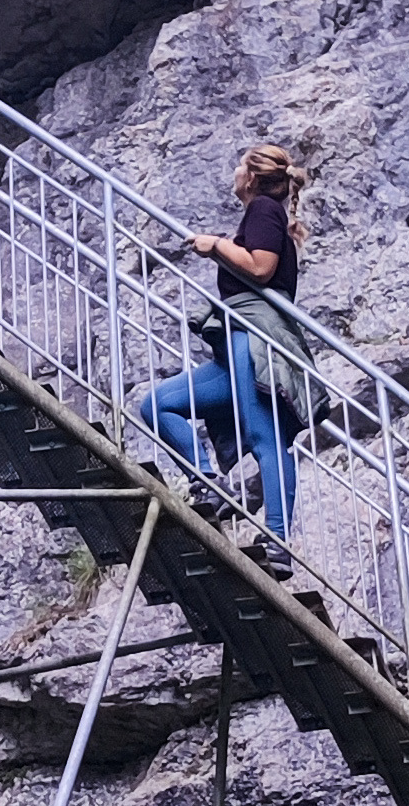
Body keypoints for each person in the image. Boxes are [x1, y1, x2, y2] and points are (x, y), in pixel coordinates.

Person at [131, 144, 312, 570]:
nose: (232, 171)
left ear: (250, 177)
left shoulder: (264, 210)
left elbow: (260, 267)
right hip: (238, 344)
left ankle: (277, 544)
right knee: (157, 405)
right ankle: (208, 480)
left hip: (254, 340)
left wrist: (215, 245)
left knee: (265, 438)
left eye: (238, 165)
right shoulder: (265, 213)